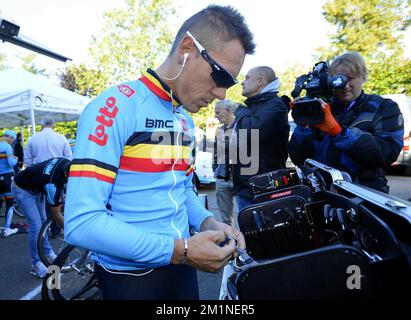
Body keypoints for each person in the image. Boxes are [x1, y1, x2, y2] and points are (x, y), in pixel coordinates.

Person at [64, 5, 255, 300]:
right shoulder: (115, 107)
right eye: (221, 77)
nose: (222, 94)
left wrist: (208, 222)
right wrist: (181, 250)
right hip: (131, 277)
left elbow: (180, 188)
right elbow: (82, 223)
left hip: (180, 266)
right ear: (187, 48)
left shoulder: (185, 118)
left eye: (230, 84)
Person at [288, 51, 404, 193]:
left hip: (364, 195)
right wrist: (303, 127)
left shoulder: (383, 107)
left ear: (363, 77)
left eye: (350, 78)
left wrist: (339, 132)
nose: (345, 86)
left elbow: (387, 153)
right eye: (338, 79)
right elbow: (298, 158)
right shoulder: (319, 109)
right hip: (323, 193)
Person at [232, 66, 290, 211]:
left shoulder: (275, 105)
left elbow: (251, 131)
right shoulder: (253, 107)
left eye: (247, 78)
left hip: (265, 191)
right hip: (246, 189)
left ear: (260, 81)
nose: (242, 82)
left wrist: (239, 110)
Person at [11, 157, 70, 278]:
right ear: (65, 173)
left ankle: (47, 253)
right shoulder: (52, 184)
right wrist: (70, 230)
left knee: (43, 222)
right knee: (36, 226)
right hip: (22, 188)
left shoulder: (65, 162)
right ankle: (36, 264)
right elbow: (56, 215)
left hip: (36, 186)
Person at [213, 99, 237, 226]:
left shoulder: (242, 126)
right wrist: (215, 170)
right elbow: (215, 153)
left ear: (229, 111)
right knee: (226, 220)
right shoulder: (219, 130)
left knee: (246, 213)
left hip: (240, 178)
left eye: (218, 112)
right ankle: (230, 241)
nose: (215, 116)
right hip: (222, 178)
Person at [0, 130, 18, 237]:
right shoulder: (7, 147)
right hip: (6, 177)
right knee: (9, 204)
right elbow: (12, 163)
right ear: (10, 137)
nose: (13, 142)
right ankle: (7, 229)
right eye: (13, 140)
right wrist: (16, 159)